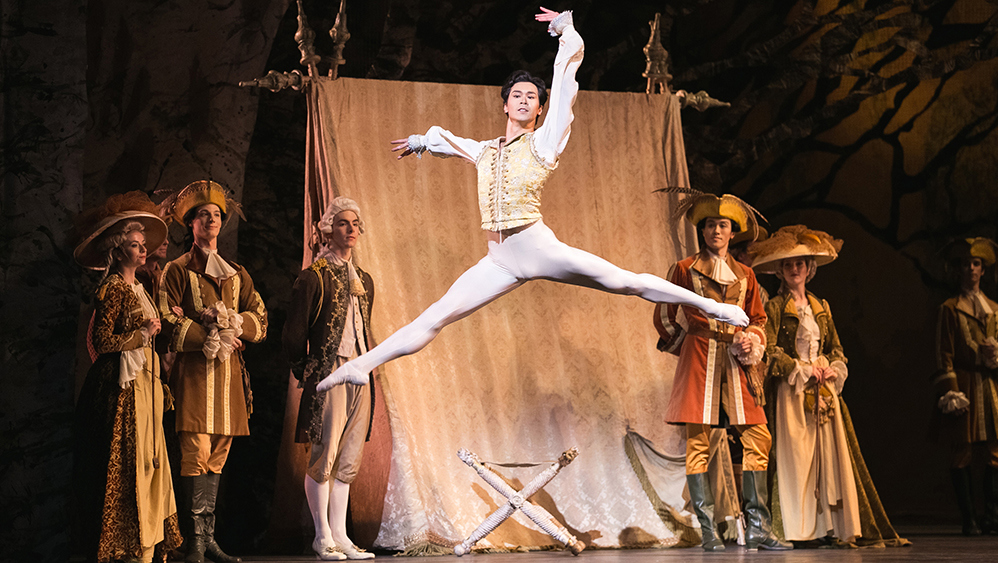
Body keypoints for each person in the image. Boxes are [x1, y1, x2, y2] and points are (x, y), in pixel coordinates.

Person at [316, 7, 748, 393]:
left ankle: (711, 306)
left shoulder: (544, 144)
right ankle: (362, 365)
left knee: (627, 282)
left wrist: (567, 34)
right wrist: (421, 141)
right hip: (499, 259)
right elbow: (450, 141)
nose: (524, 101)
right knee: (437, 316)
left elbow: (564, 88)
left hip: (537, 247)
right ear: (505, 105)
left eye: (532, 98)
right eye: (517, 95)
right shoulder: (486, 150)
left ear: (539, 110)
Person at [752, 225, 906, 547]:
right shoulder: (777, 307)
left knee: (828, 460)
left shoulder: (821, 306)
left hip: (823, 392)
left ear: (810, 270)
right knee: (798, 459)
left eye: (801, 264)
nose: (795, 269)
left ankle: (827, 527)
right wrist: (799, 368)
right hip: (792, 393)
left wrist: (831, 368)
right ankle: (799, 528)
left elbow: (836, 347)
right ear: (780, 271)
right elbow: (768, 349)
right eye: (789, 265)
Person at [654, 193, 790, 552]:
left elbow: (758, 318)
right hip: (701, 359)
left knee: (758, 437)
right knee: (699, 443)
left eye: (723, 225)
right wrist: (688, 346)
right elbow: (666, 316)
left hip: (738, 362)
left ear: (733, 233)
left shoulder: (746, 275)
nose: (717, 230)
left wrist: (753, 342)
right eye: (711, 225)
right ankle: (707, 529)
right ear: (703, 231)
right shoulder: (684, 269)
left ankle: (759, 526)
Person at [158, 180, 268, 563]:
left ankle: (208, 538)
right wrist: (204, 330)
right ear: (190, 223)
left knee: (218, 456)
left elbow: (260, 316)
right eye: (202, 215)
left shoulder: (237, 274)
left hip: (228, 379)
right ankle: (194, 541)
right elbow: (164, 317)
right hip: (195, 376)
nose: (210, 220)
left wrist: (237, 324)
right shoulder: (176, 270)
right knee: (195, 452)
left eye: (216, 215)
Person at [73, 191, 182, 563]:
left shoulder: (139, 286)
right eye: (134, 246)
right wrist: (141, 334)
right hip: (123, 389)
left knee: (152, 462)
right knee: (129, 464)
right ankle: (127, 545)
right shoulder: (114, 288)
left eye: (141, 245)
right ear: (118, 252)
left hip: (146, 385)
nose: (141, 251)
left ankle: (146, 545)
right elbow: (103, 340)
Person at [283, 197, 377, 560]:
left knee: (349, 456)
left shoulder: (364, 280)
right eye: (343, 223)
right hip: (331, 370)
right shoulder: (314, 276)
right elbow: (293, 333)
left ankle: (340, 534)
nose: (350, 229)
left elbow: (364, 328)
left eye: (355, 223)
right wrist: (305, 369)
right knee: (326, 452)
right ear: (328, 230)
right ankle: (322, 535)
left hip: (360, 370)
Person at [933, 237, 998, 536]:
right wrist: (950, 390)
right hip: (965, 385)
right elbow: (943, 353)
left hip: (991, 385)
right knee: (963, 451)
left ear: (983, 270)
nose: (971, 269)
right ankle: (969, 518)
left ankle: (993, 515)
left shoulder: (995, 309)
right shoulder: (949, 309)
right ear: (957, 269)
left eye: (976, 264)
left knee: (996, 450)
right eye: (965, 264)